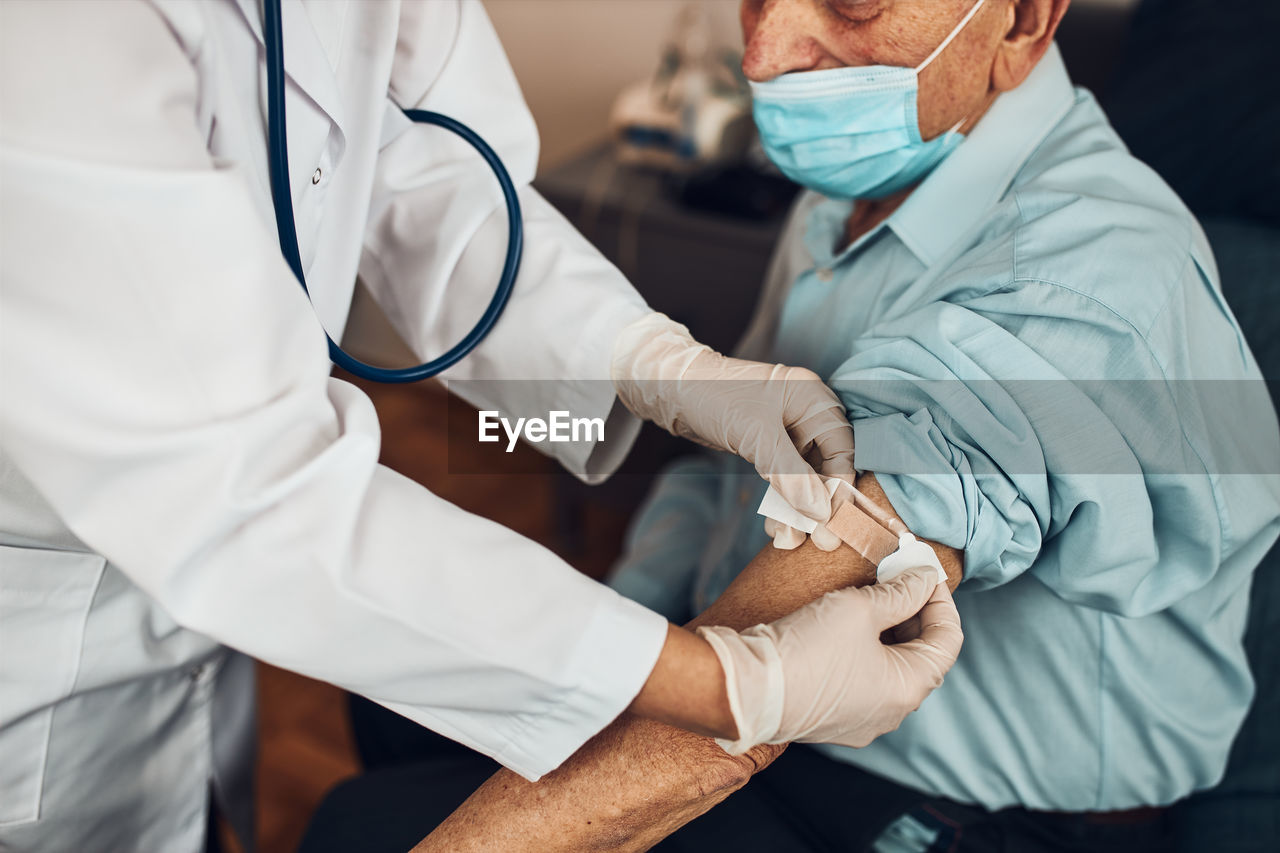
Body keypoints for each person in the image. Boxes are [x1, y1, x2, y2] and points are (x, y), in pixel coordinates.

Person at [298, 0, 1280, 850]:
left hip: (966, 810)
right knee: (391, 710)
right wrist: (636, 625)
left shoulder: (1077, 285)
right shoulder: (859, 188)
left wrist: (653, 685)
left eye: (848, 3)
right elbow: (725, 479)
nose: (764, 56)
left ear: (1020, 20)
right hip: (818, 729)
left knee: (358, 828)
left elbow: (776, 653)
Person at [0, 1, 964, 850]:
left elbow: (426, 172)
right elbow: (251, 493)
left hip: (192, 614)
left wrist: (652, 363)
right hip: (39, 612)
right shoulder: (59, 29)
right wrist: (733, 687)